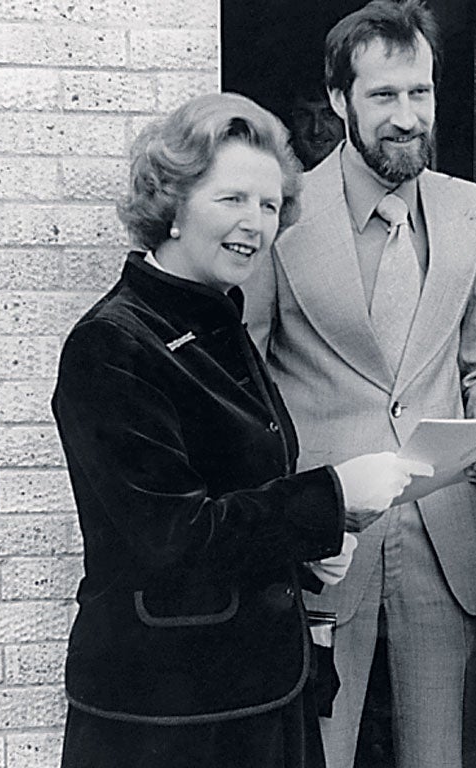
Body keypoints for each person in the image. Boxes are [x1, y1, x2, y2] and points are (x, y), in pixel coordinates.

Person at [51, 92, 431, 768]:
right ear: (169, 203)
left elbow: (241, 496)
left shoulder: (218, 319)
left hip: (257, 692)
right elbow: (173, 538)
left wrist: (308, 550)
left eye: (268, 203)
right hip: (167, 717)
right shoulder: (113, 344)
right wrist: (332, 496)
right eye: (231, 199)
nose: (255, 223)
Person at [242, 2, 476, 766]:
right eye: (383, 97)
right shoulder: (282, 214)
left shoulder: (470, 210)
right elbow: (248, 385)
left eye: (420, 94)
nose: (407, 118)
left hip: (451, 537)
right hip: (323, 540)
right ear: (339, 100)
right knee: (316, 753)